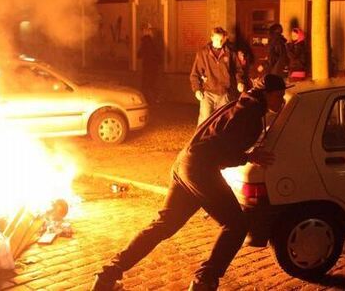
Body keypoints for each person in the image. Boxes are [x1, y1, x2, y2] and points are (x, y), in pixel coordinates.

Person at [91, 74, 290, 291]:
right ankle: (204, 281)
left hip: (184, 163)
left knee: (164, 225)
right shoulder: (251, 116)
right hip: (200, 170)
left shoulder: (242, 103)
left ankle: (107, 275)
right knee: (236, 224)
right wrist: (249, 157)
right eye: (279, 96)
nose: (282, 101)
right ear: (267, 94)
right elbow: (222, 153)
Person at [190, 27, 245, 125]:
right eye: (216, 39)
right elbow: (195, 74)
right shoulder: (203, 53)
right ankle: (200, 140)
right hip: (208, 93)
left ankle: (220, 140)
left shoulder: (230, 52)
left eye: (221, 40)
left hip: (224, 94)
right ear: (211, 38)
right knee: (204, 121)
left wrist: (240, 82)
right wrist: (197, 90)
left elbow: (238, 69)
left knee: (222, 122)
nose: (219, 43)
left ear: (224, 39)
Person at [137, 24, 163, 103]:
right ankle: (154, 99)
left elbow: (139, 54)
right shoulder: (152, 41)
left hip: (147, 67)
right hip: (152, 67)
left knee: (146, 84)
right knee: (151, 83)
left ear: (145, 32)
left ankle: (147, 99)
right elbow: (157, 55)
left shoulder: (145, 41)